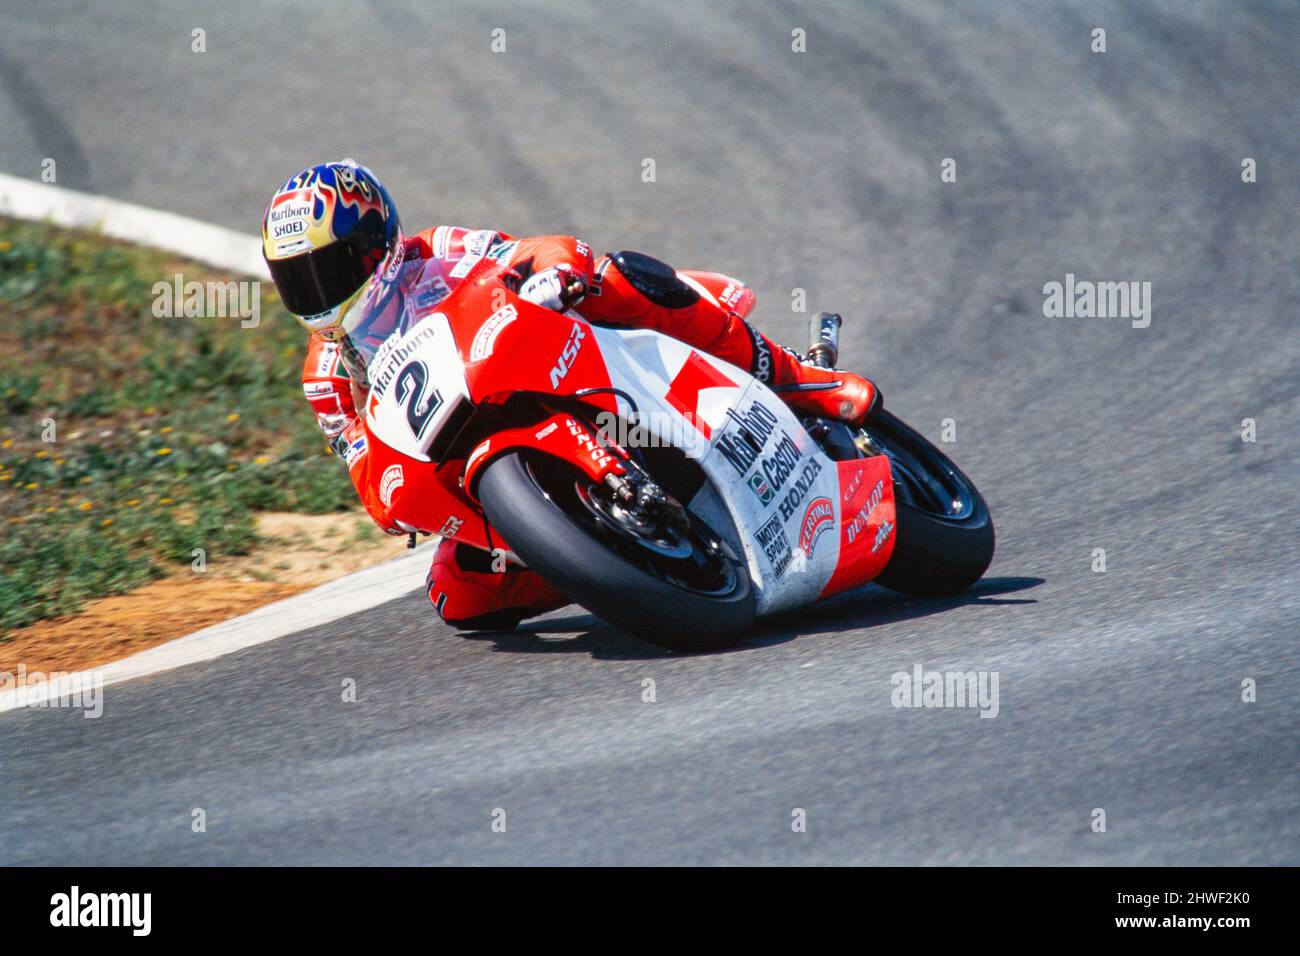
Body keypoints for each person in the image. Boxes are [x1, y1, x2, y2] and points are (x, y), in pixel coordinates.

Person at [262, 161, 881, 630]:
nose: (315, 293)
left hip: (557, 368)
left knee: (614, 276)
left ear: (375, 243)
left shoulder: (436, 250)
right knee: (460, 597)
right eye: (296, 280)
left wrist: (557, 270)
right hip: (471, 459)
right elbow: (368, 474)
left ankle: (794, 377)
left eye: (326, 269)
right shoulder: (326, 377)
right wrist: (394, 496)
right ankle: (608, 559)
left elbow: (524, 251)